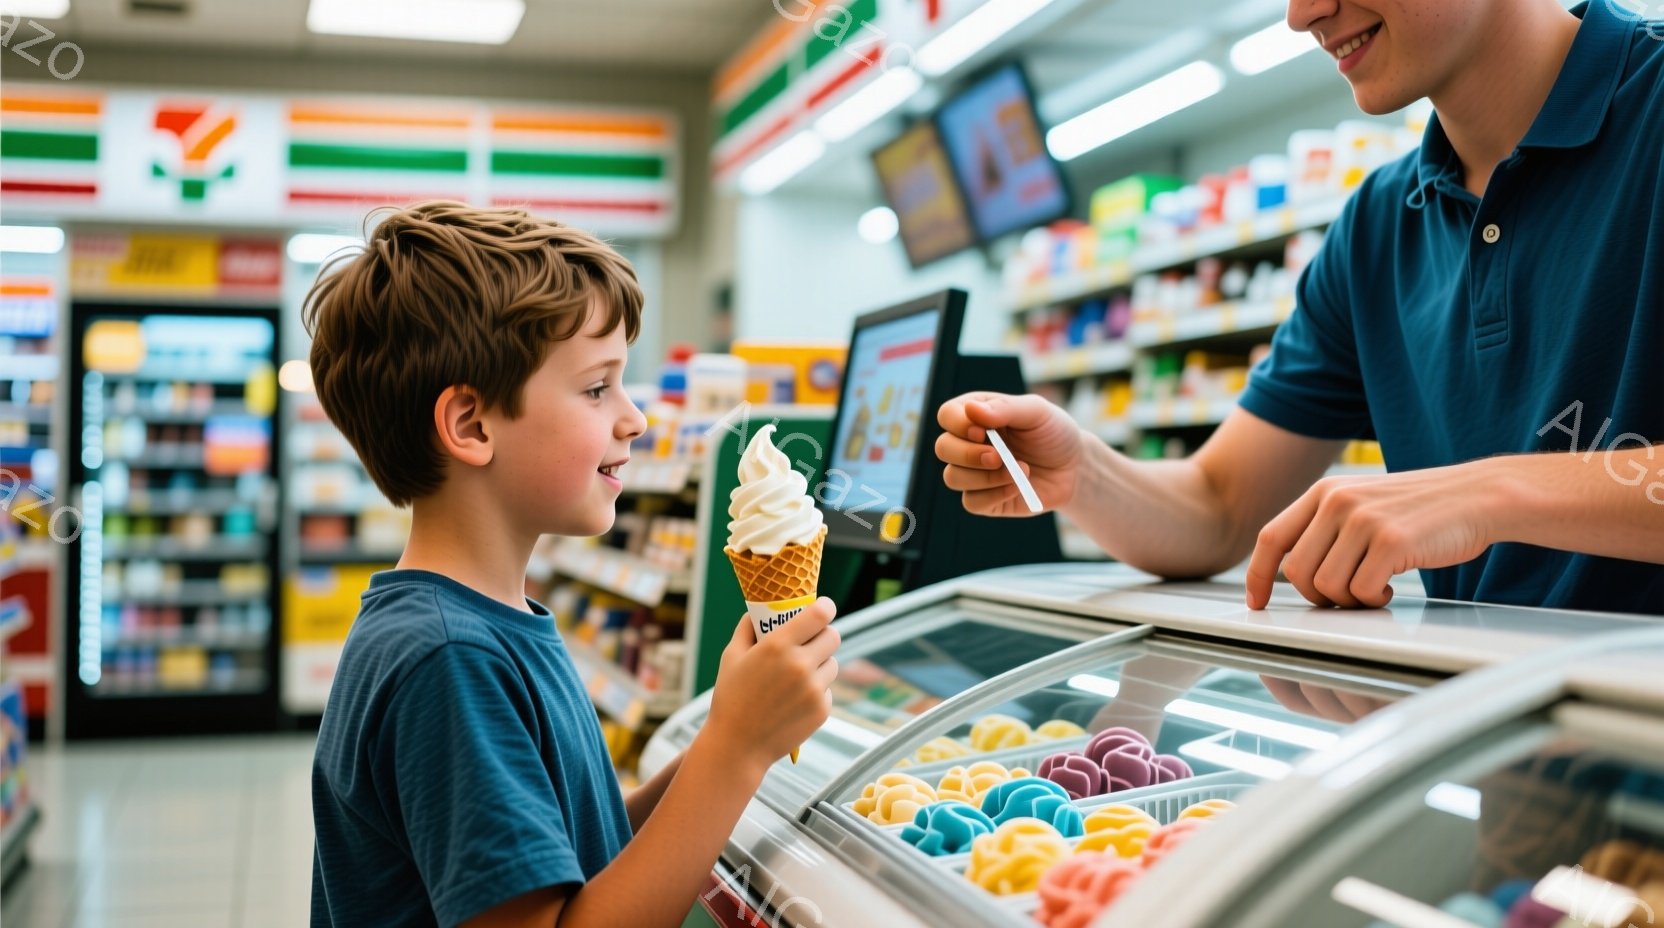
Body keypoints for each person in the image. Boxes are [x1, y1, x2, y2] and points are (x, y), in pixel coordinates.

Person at [937, 0, 1664, 614]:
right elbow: (1219, 509)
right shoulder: (1379, 227)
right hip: (1505, 754)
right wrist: (1083, 473)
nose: (1300, 15)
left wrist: (1488, 491)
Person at [306, 202, 841, 928]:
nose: (635, 417)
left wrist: (735, 729)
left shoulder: (486, 621)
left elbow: (573, 849)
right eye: (597, 387)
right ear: (471, 425)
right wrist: (735, 749)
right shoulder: (449, 658)